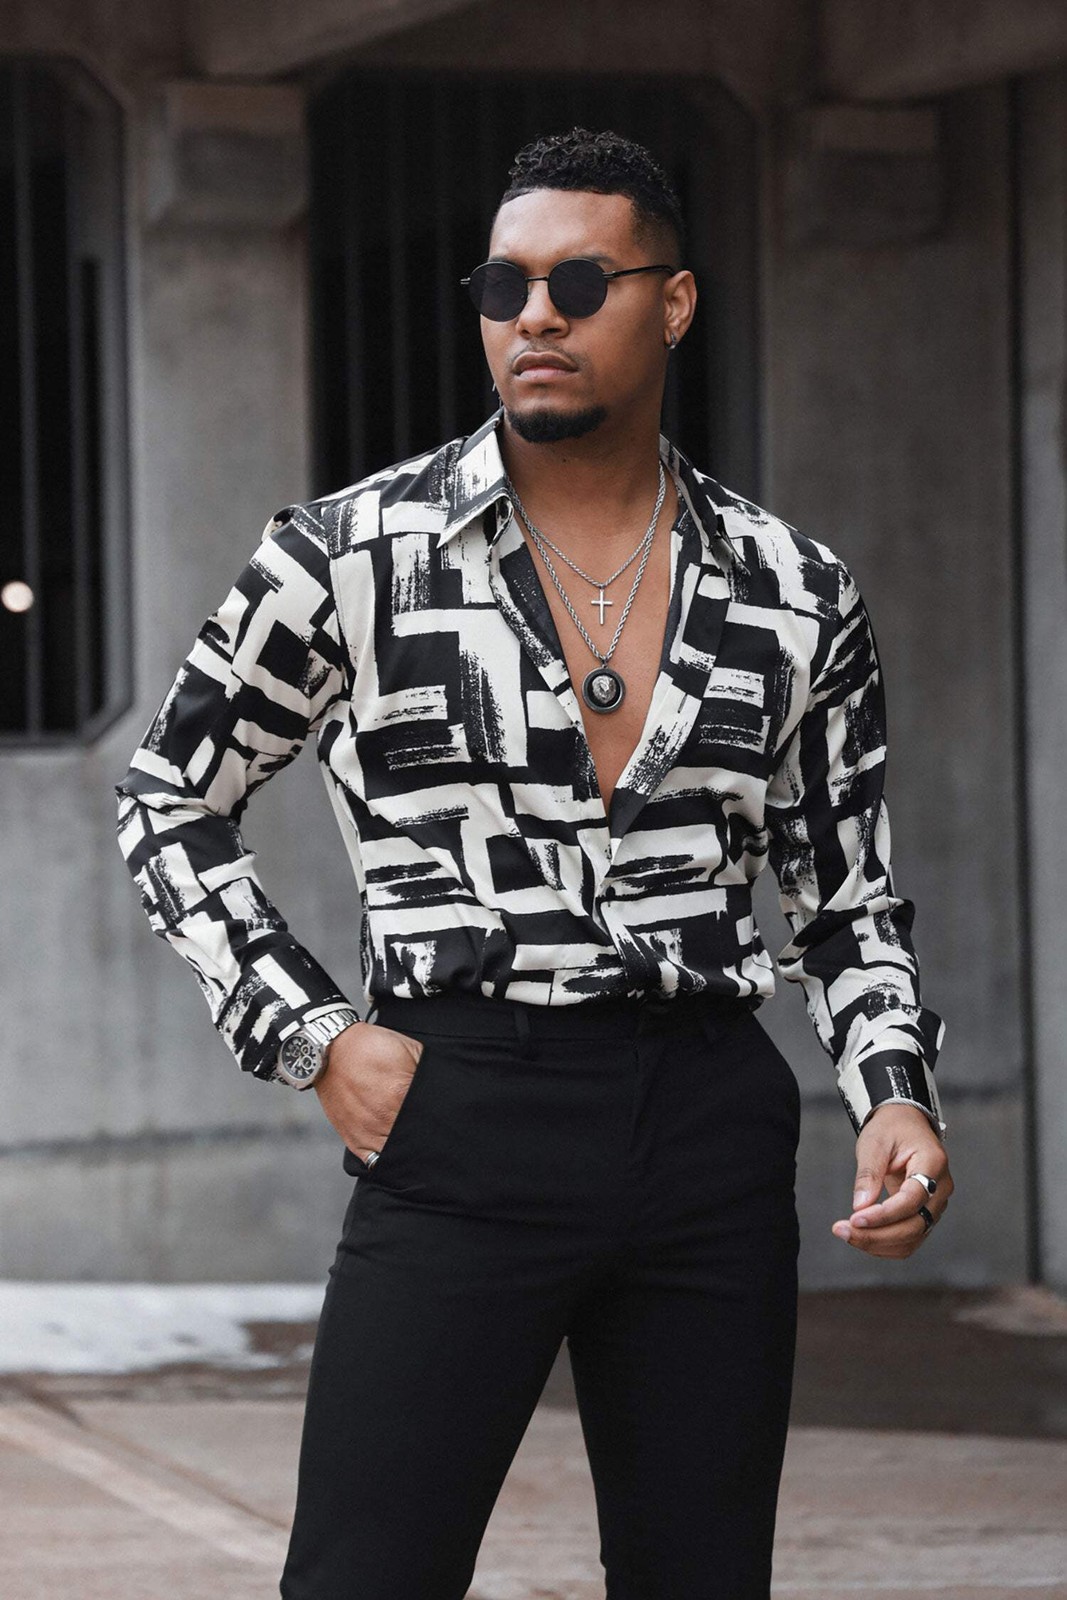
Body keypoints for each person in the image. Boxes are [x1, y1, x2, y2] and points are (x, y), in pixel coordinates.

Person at [115, 127, 953, 1600]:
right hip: (461, 1111)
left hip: (705, 1125)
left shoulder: (794, 590)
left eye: (578, 281)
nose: (534, 318)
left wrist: (893, 1089)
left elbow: (843, 895)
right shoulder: (353, 555)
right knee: (364, 1578)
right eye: (504, 286)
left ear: (674, 303)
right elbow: (167, 794)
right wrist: (314, 1036)